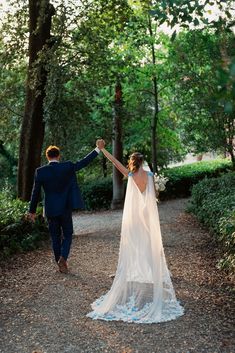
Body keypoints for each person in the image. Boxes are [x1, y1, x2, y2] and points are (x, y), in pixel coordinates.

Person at [87, 149, 184, 323]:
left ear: (133, 162)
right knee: (148, 244)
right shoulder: (149, 175)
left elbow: (115, 163)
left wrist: (102, 150)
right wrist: (158, 187)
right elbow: (155, 195)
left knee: (135, 244)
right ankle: (156, 272)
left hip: (134, 217)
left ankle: (133, 270)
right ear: (143, 161)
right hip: (147, 214)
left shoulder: (130, 174)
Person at [28, 139, 105, 273]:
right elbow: (83, 163)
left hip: (51, 210)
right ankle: (63, 258)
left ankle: (60, 261)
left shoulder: (40, 172)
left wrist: (32, 211)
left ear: (48, 157)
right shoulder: (67, 166)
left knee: (55, 237)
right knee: (68, 234)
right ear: (58, 156)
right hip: (65, 208)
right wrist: (97, 149)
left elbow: (35, 193)